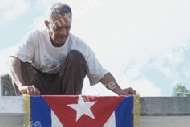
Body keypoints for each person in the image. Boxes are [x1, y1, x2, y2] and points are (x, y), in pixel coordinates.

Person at [8, 2, 136, 96]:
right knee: (18, 60)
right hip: (37, 89)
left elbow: (101, 73)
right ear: (47, 25)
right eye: (58, 28)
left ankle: (70, 104)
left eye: (67, 27)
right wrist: (21, 85)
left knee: (76, 56)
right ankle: (25, 105)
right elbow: (13, 59)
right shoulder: (35, 37)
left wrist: (119, 91)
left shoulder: (78, 44)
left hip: (63, 91)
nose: (63, 33)